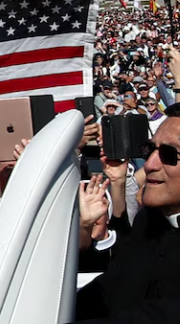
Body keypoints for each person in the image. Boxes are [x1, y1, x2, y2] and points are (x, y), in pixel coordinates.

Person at [73, 103, 180, 322]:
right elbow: (106, 291)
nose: (150, 164)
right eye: (149, 150)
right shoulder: (148, 222)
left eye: (168, 154)